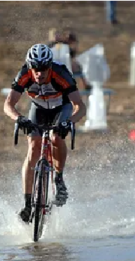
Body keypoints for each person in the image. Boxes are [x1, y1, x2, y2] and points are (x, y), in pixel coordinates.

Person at [3, 44, 86, 223]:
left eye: (43, 69)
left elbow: (80, 106)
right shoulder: (24, 75)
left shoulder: (61, 74)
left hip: (61, 107)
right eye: (35, 69)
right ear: (30, 66)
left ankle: (59, 178)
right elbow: (8, 104)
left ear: (50, 66)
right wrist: (18, 118)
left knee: (55, 137)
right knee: (33, 147)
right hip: (38, 108)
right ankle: (27, 203)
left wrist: (68, 122)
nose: (39, 73)